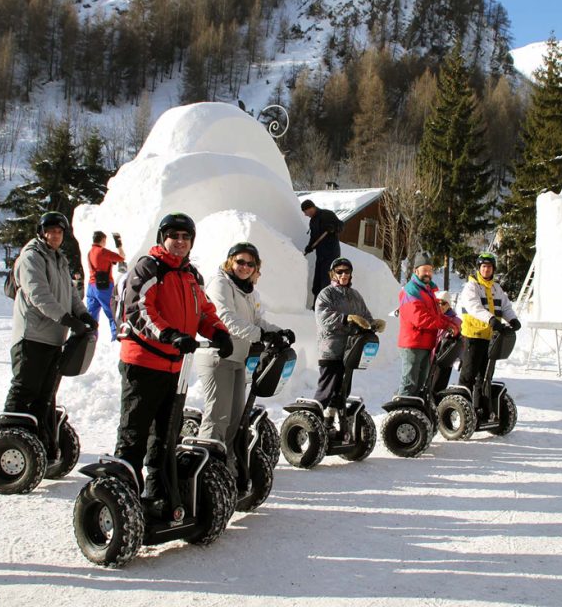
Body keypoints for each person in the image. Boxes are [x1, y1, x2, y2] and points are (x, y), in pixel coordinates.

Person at [115, 213, 232, 497]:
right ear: (162, 238)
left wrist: (218, 332)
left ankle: (158, 493)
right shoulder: (149, 268)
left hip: (175, 366)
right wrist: (169, 334)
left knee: (167, 435)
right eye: (174, 236)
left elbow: (203, 310)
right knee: (135, 434)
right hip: (143, 362)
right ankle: (123, 494)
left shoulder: (191, 274)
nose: (180, 242)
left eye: (185, 237)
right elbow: (138, 310)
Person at [4, 212, 97, 463]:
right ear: (40, 231)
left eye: (58, 231)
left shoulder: (59, 260)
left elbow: (70, 293)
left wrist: (83, 315)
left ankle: (35, 446)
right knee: (25, 389)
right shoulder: (31, 257)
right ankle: (7, 444)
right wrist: (66, 319)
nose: (54, 235)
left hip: (54, 338)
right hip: (32, 336)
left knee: (45, 396)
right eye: (49, 230)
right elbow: (39, 294)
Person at [198, 242, 294, 477]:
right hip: (218, 357)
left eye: (250, 264)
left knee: (235, 420)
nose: (245, 267)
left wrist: (279, 332)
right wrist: (261, 335)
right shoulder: (220, 283)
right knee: (217, 417)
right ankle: (206, 471)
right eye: (240, 261)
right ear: (230, 261)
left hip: (240, 358)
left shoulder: (249, 290)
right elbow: (226, 319)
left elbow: (257, 320)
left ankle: (227, 470)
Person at [314, 257, 383, 426]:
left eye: (347, 271)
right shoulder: (326, 294)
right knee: (326, 391)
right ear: (333, 274)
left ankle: (331, 421)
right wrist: (347, 318)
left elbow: (365, 317)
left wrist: (374, 324)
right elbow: (323, 319)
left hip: (350, 351)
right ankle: (311, 423)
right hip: (331, 350)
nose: (344, 274)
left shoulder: (355, 295)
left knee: (342, 391)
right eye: (340, 271)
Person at [397, 252, 459, 397]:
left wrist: (451, 321)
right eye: (424, 270)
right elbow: (421, 319)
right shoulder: (410, 291)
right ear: (415, 271)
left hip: (426, 344)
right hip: (412, 344)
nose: (428, 273)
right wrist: (445, 325)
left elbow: (439, 313)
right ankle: (400, 413)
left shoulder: (431, 290)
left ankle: (415, 414)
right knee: (409, 383)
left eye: (430, 270)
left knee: (421, 383)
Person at [457, 252, 521, 390]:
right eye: (484, 266)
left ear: (493, 269)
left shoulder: (496, 288)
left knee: (485, 376)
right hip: (474, 337)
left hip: (490, 338)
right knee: (469, 374)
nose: (486, 269)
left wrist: (512, 319)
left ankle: (480, 406)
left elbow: (505, 306)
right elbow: (474, 307)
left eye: (489, 267)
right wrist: (490, 318)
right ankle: (461, 404)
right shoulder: (471, 286)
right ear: (479, 268)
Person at [86, 231, 126, 341]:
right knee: (111, 311)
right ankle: (116, 336)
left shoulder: (90, 252)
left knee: (91, 316)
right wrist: (119, 245)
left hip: (91, 287)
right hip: (103, 287)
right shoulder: (102, 251)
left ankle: (90, 338)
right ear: (103, 240)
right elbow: (122, 257)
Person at [301, 199, 344, 301]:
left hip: (331, 254)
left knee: (326, 280)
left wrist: (334, 228)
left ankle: (325, 305)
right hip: (320, 255)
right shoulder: (312, 221)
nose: (306, 215)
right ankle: (316, 305)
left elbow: (341, 225)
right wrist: (310, 246)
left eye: (306, 212)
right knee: (318, 281)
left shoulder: (327, 214)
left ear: (311, 208)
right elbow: (314, 237)